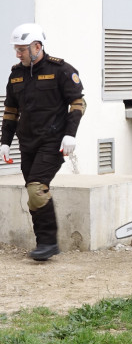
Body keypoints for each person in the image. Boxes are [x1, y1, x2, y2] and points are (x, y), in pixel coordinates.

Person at [2, 23, 85, 261]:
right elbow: (10, 111)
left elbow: (78, 103)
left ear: (37, 47)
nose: (18, 54)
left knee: (37, 189)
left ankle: (48, 243)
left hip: (53, 141)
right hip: (27, 142)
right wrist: (5, 142)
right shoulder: (16, 75)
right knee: (34, 193)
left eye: (22, 49)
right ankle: (44, 243)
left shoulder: (61, 70)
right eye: (16, 49)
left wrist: (70, 134)